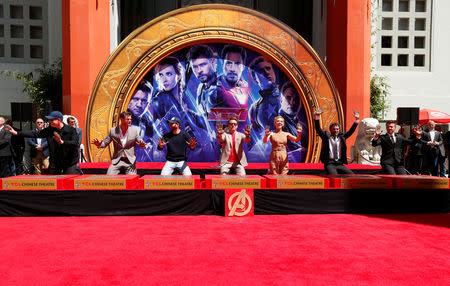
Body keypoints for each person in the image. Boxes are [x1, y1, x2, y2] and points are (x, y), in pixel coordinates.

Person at [6, 111, 82, 175]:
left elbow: (75, 143)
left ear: (59, 120)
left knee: (68, 182)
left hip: (69, 162)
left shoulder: (71, 130)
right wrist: (17, 133)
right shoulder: (49, 130)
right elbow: (35, 134)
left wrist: (62, 142)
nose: (49, 121)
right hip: (55, 162)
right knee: (53, 184)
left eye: (51, 120)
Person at [315, 108, 360, 174]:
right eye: (334, 129)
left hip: (340, 164)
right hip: (330, 164)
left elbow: (351, 131)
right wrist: (317, 116)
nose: (336, 131)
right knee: (335, 177)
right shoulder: (326, 136)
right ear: (330, 130)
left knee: (352, 175)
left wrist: (356, 120)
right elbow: (318, 128)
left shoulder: (342, 137)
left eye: (337, 129)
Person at [216, 45, 250, 123]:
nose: (232, 69)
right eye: (228, 63)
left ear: (244, 66)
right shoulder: (214, 89)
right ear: (222, 64)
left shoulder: (247, 88)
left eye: (237, 64)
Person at [248, 56, 281, 138]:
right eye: (261, 71)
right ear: (255, 79)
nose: (267, 72)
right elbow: (255, 140)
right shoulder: (254, 109)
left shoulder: (288, 97)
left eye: (268, 68)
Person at [186, 44, 218, 115]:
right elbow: (205, 119)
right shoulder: (200, 88)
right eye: (195, 67)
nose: (199, 70)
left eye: (203, 65)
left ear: (212, 62)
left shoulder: (221, 87)